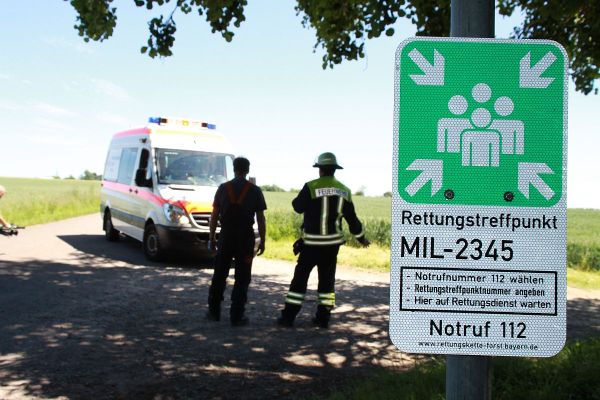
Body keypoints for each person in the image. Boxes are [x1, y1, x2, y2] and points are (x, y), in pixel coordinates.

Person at [278, 152, 370, 329]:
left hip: (311, 245)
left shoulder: (311, 187)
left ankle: (288, 318)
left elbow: (297, 207)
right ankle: (323, 318)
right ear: (334, 170)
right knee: (327, 282)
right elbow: (353, 220)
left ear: (319, 169)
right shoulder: (345, 191)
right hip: (331, 247)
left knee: (299, 280)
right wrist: (361, 238)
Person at [207, 157, 267, 326]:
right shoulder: (255, 191)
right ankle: (237, 315)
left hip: (225, 236)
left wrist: (212, 237)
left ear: (234, 169)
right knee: (242, 277)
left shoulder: (222, 188)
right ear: (247, 170)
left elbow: (214, 216)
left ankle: (214, 311)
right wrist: (262, 240)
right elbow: (261, 219)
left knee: (219, 274)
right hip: (245, 238)